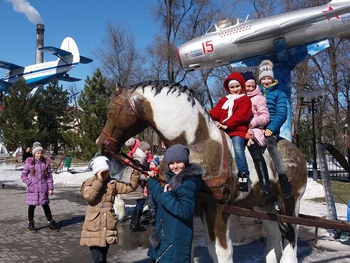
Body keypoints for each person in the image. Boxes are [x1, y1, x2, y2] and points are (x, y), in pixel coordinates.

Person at [146, 144, 204, 263]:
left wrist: (167, 195)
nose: (175, 166)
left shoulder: (187, 183)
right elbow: (162, 197)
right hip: (165, 238)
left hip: (174, 244)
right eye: (171, 163)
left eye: (179, 162)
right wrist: (152, 180)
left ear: (185, 162)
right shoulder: (173, 179)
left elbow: (185, 211)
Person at [80, 156, 140, 263]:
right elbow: (90, 197)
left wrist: (135, 172)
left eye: (107, 171)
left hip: (108, 225)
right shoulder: (88, 183)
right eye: (102, 171)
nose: (105, 174)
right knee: (97, 259)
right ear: (96, 171)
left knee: (103, 256)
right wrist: (99, 181)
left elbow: (131, 187)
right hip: (94, 226)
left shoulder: (113, 184)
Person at [209, 72, 253, 192]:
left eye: (237, 86)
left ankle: (244, 174)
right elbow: (217, 111)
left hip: (236, 131)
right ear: (228, 89)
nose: (235, 90)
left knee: (237, 148)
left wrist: (226, 125)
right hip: (222, 130)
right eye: (232, 87)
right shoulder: (224, 100)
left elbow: (241, 116)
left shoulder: (245, 100)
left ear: (242, 86)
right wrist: (207, 114)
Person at [258, 60, 293, 198]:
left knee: (271, 145)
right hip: (257, 126)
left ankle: (283, 177)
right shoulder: (256, 93)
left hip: (271, 128)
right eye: (264, 78)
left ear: (272, 79)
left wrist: (271, 129)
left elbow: (281, 114)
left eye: (268, 78)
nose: (266, 81)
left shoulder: (279, 94)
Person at [242, 71, 271, 195]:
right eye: (247, 86)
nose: (249, 88)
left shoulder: (259, 99)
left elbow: (265, 117)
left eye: (252, 86)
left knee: (253, 146)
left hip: (254, 129)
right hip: (239, 129)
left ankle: (265, 183)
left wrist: (252, 123)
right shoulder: (238, 97)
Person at [20, 141, 59, 233]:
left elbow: (49, 177)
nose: (39, 155)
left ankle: (51, 222)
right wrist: (30, 184)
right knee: (32, 206)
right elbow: (23, 176)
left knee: (46, 206)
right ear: (34, 153)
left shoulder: (45, 163)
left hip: (43, 189)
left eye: (41, 153)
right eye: (37, 153)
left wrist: (50, 188)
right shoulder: (30, 163)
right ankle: (31, 224)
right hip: (33, 189)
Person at [119, 141, 150, 232]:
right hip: (132, 183)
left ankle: (134, 223)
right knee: (141, 201)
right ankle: (134, 224)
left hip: (129, 182)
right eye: (147, 150)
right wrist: (148, 176)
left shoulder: (138, 158)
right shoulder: (139, 160)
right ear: (143, 150)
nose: (148, 152)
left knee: (140, 201)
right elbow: (138, 175)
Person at [146, 157, 160, 226]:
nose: (151, 166)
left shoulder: (157, 172)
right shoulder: (147, 172)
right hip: (149, 190)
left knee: (154, 204)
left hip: (154, 190)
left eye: (153, 164)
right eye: (150, 164)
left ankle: (155, 219)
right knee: (151, 204)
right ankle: (152, 219)